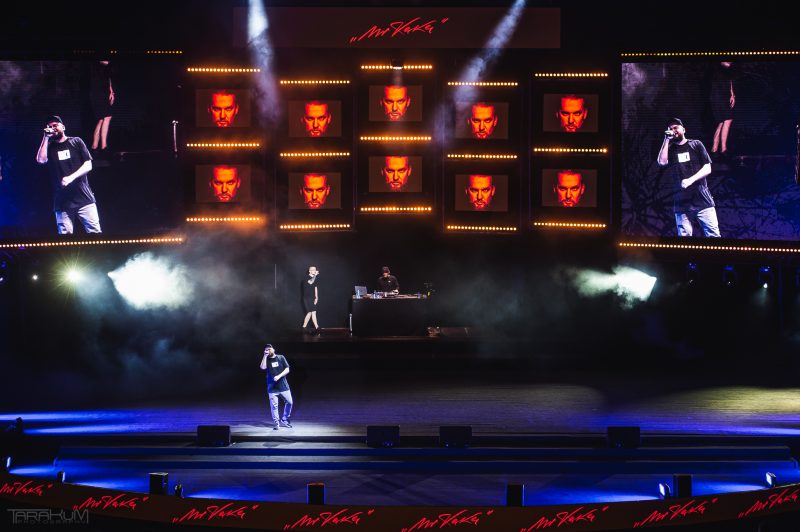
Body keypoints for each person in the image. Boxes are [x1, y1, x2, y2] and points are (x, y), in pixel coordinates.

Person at [35, 115, 102, 234]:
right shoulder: (50, 147)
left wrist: (70, 178)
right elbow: (41, 160)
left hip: (83, 198)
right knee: (65, 237)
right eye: (50, 126)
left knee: (94, 233)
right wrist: (45, 138)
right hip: (62, 201)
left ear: (63, 127)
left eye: (55, 125)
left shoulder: (76, 141)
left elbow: (88, 165)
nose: (52, 128)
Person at [657, 118, 721, 237]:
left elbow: (708, 168)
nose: (673, 130)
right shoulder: (670, 149)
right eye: (670, 128)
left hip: (702, 201)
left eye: (676, 127)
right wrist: (666, 139)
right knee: (684, 237)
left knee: (713, 235)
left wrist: (690, 180)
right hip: (681, 204)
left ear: (684, 129)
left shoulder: (696, 144)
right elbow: (662, 162)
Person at [259, 344, 293, 430]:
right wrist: (265, 356)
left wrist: (279, 376)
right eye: (266, 350)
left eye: (269, 349)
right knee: (274, 406)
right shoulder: (266, 359)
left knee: (289, 402)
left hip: (283, 386)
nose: (268, 351)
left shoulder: (281, 357)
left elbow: (287, 369)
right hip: (272, 387)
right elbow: (262, 367)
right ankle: (276, 423)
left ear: (273, 349)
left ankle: (284, 419)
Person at [710, 62, 735, 154]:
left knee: (721, 122)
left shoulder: (728, 70)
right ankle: (724, 149)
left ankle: (714, 149)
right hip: (717, 97)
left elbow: (729, 81)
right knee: (728, 119)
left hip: (722, 97)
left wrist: (732, 95)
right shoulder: (717, 67)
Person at [90, 60, 114, 152]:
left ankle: (95, 145)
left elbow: (108, 79)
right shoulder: (95, 66)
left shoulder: (106, 68)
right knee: (107, 117)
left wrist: (111, 91)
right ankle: (104, 146)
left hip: (102, 93)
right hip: (99, 93)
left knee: (101, 119)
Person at [301, 266, 320, 334]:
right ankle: (317, 327)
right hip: (307, 298)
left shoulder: (315, 278)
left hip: (312, 298)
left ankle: (303, 327)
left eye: (315, 269)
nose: (314, 270)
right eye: (313, 270)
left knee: (309, 313)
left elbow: (315, 288)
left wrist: (316, 297)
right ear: (309, 271)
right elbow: (311, 282)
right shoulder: (306, 278)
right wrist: (315, 275)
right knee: (313, 312)